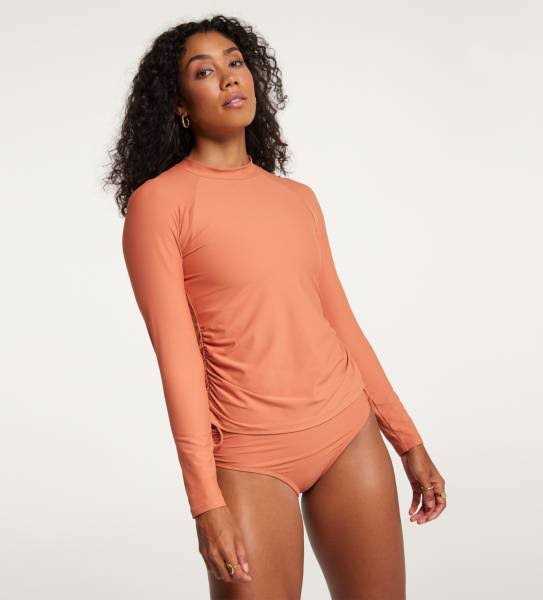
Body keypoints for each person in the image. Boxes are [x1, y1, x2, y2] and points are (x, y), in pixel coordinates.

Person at [105, 15, 446, 600]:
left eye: (236, 62)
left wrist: (408, 442)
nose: (228, 78)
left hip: (346, 432)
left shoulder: (298, 200)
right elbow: (178, 361)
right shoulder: (159, 206)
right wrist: (204, 502)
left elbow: (342, 326)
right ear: (179, 106)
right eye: (204, 72)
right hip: (248, 454)